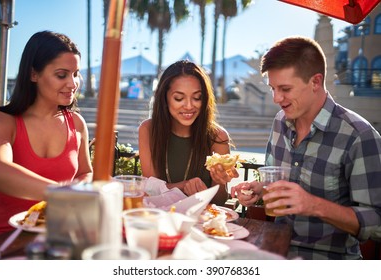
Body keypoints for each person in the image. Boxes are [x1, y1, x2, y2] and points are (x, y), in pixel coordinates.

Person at [228, 36, 381, 259]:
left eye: (285, 89)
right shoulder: (280, 122)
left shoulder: (359, 136)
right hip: (274, 252)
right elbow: (275, 183)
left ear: (315, 82)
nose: (276, 98)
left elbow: (376, 222)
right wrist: (258, 189)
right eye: (272, 88)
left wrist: (313, 205)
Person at [0, 31, 93, 235]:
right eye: (61, 75)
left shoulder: (77, 123)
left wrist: (80, 190)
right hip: (4, 238)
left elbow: (85, 172)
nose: (73, 84)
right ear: (33, 74)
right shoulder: (2, 121)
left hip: (59, 235)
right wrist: (63, 194)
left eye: (76, 74)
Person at [138, 60, 238, 205]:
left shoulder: (218, 137)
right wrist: (184, 186)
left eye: (197, 97)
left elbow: (220, 201)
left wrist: (218, 182)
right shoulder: (148, 130)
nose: (189, 106)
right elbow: (150, 190)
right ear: (164, 98)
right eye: (179, 98)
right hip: (158, 218)